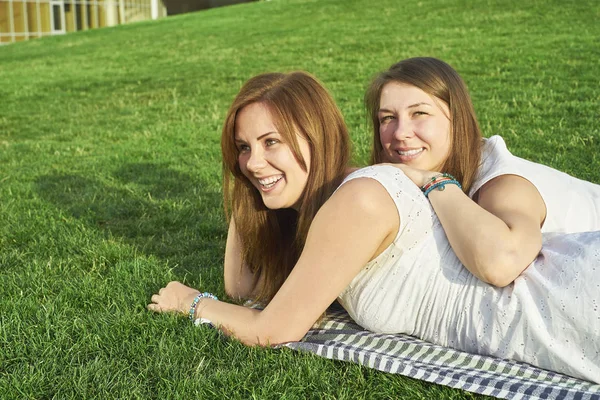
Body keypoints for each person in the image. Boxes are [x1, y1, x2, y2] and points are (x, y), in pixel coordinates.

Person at [148, 69, 600, 384]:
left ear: (316, 136)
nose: (254, 160)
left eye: (272, 143)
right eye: (243, 148)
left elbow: (272, 328)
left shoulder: (360, 200)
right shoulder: (338, 205)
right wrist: (252, 187)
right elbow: (244, 284)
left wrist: (190, 301)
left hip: (566, 301)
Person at [365, 57, 600, 287]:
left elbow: (502, 265)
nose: (399, 133)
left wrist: (434, 182)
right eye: (388, 118)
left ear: (458, 119)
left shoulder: (503, 185)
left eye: (420, 113)